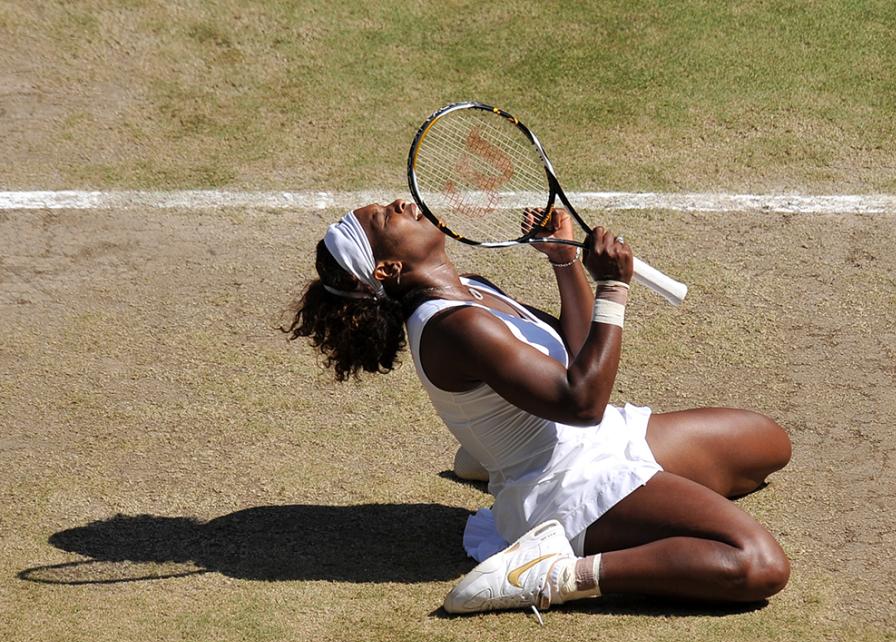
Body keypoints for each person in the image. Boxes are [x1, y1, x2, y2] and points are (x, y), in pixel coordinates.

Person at [284, 199, 792, 617]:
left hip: (597, 438)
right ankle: (554, 572)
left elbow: (573, 356)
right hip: (567, 485)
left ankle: (494, 457)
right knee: (758, 565)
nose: (401, 203)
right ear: (388, 268)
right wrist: (613, 287)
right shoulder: (453, 328)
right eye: (384, 219)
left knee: (768, 444)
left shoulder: (475, 289)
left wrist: (563, 260)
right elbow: (583, 399)